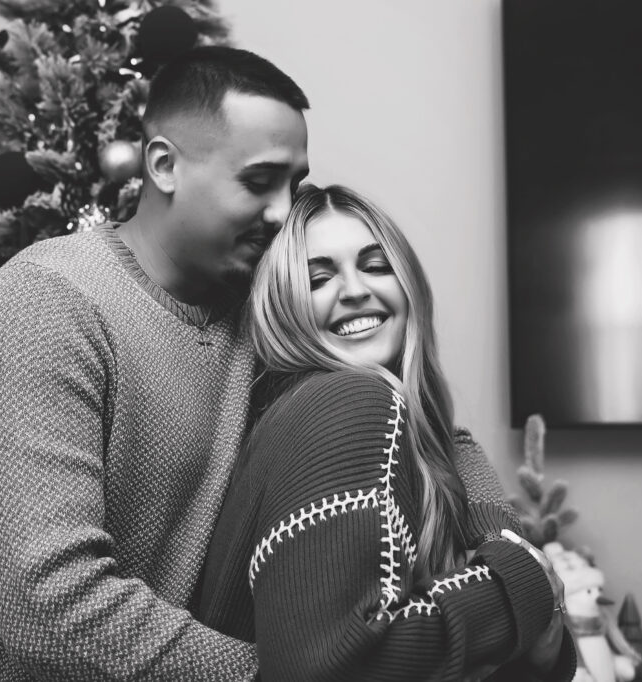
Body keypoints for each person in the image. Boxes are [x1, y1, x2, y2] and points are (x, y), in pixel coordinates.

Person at [0, 46, 309, 680]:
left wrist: (508, 540)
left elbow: (392, 403)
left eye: (295, 185)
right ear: (164, 165)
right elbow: (47, 606)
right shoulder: (47, 300)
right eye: (259, 181)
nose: (283, 212)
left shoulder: (265, 305)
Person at [198, 184, 576, 681]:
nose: (355, 290)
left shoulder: (418, 439)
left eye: (376, 266)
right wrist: (521, 590)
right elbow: (335, 668)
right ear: (282, 306)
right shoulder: (343, 404)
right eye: (318, 278)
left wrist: (507, 560)